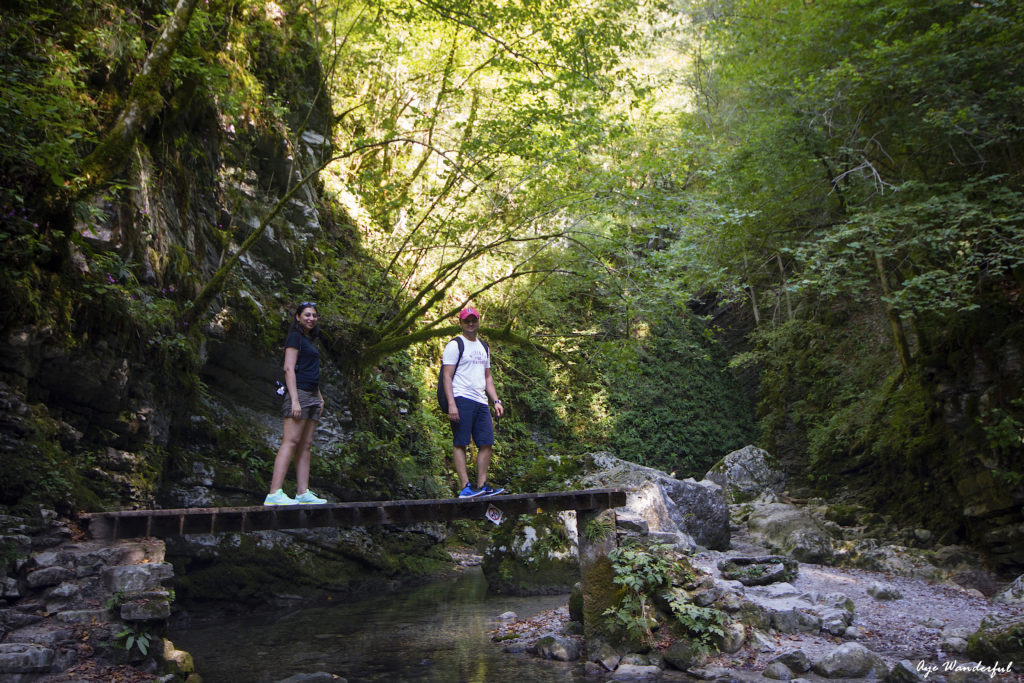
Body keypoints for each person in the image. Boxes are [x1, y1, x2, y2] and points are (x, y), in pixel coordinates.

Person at [264, 302, 329, 505]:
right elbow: (289, 369)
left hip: (312, 395)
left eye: (314, 315)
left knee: (306, 445)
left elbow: (310, 370)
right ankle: (274, 493)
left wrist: (319, 397)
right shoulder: (295, 337)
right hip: (299, 394)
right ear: (298, 317)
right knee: (290, 442)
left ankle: (302, 492)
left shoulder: (308, 340)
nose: (311, 318)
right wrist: (294, 400)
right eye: (307, 315)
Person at [441, 307, 506, 498]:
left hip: (480, 400)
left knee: (486, 442)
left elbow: (487, 377)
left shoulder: (483, 347)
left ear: (478, 322)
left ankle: (482, 485)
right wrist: (451, 404)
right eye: (466, 321)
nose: (471, 324)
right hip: (461, 397)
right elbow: (447, 376)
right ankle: (465, 487)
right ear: (461, 324)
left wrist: (496, 400)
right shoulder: (455, 345)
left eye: (473, 320)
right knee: (460, 442)